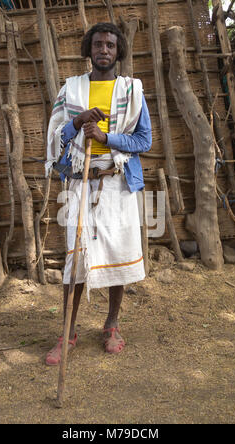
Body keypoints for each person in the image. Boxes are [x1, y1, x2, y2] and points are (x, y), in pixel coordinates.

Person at [45, 22, 152, 365]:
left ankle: (111, 325)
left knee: (117, 256)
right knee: (76, 259)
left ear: (118, 50)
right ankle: (68, 331)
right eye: (97, 44)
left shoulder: (132, 90)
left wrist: (107, 138)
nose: (103, 49)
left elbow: (143, 140)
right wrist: (77, 123)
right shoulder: (72, 89)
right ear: (88, 50)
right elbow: (54, 137)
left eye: (109, 44)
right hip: (79, 184)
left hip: (116, 183)